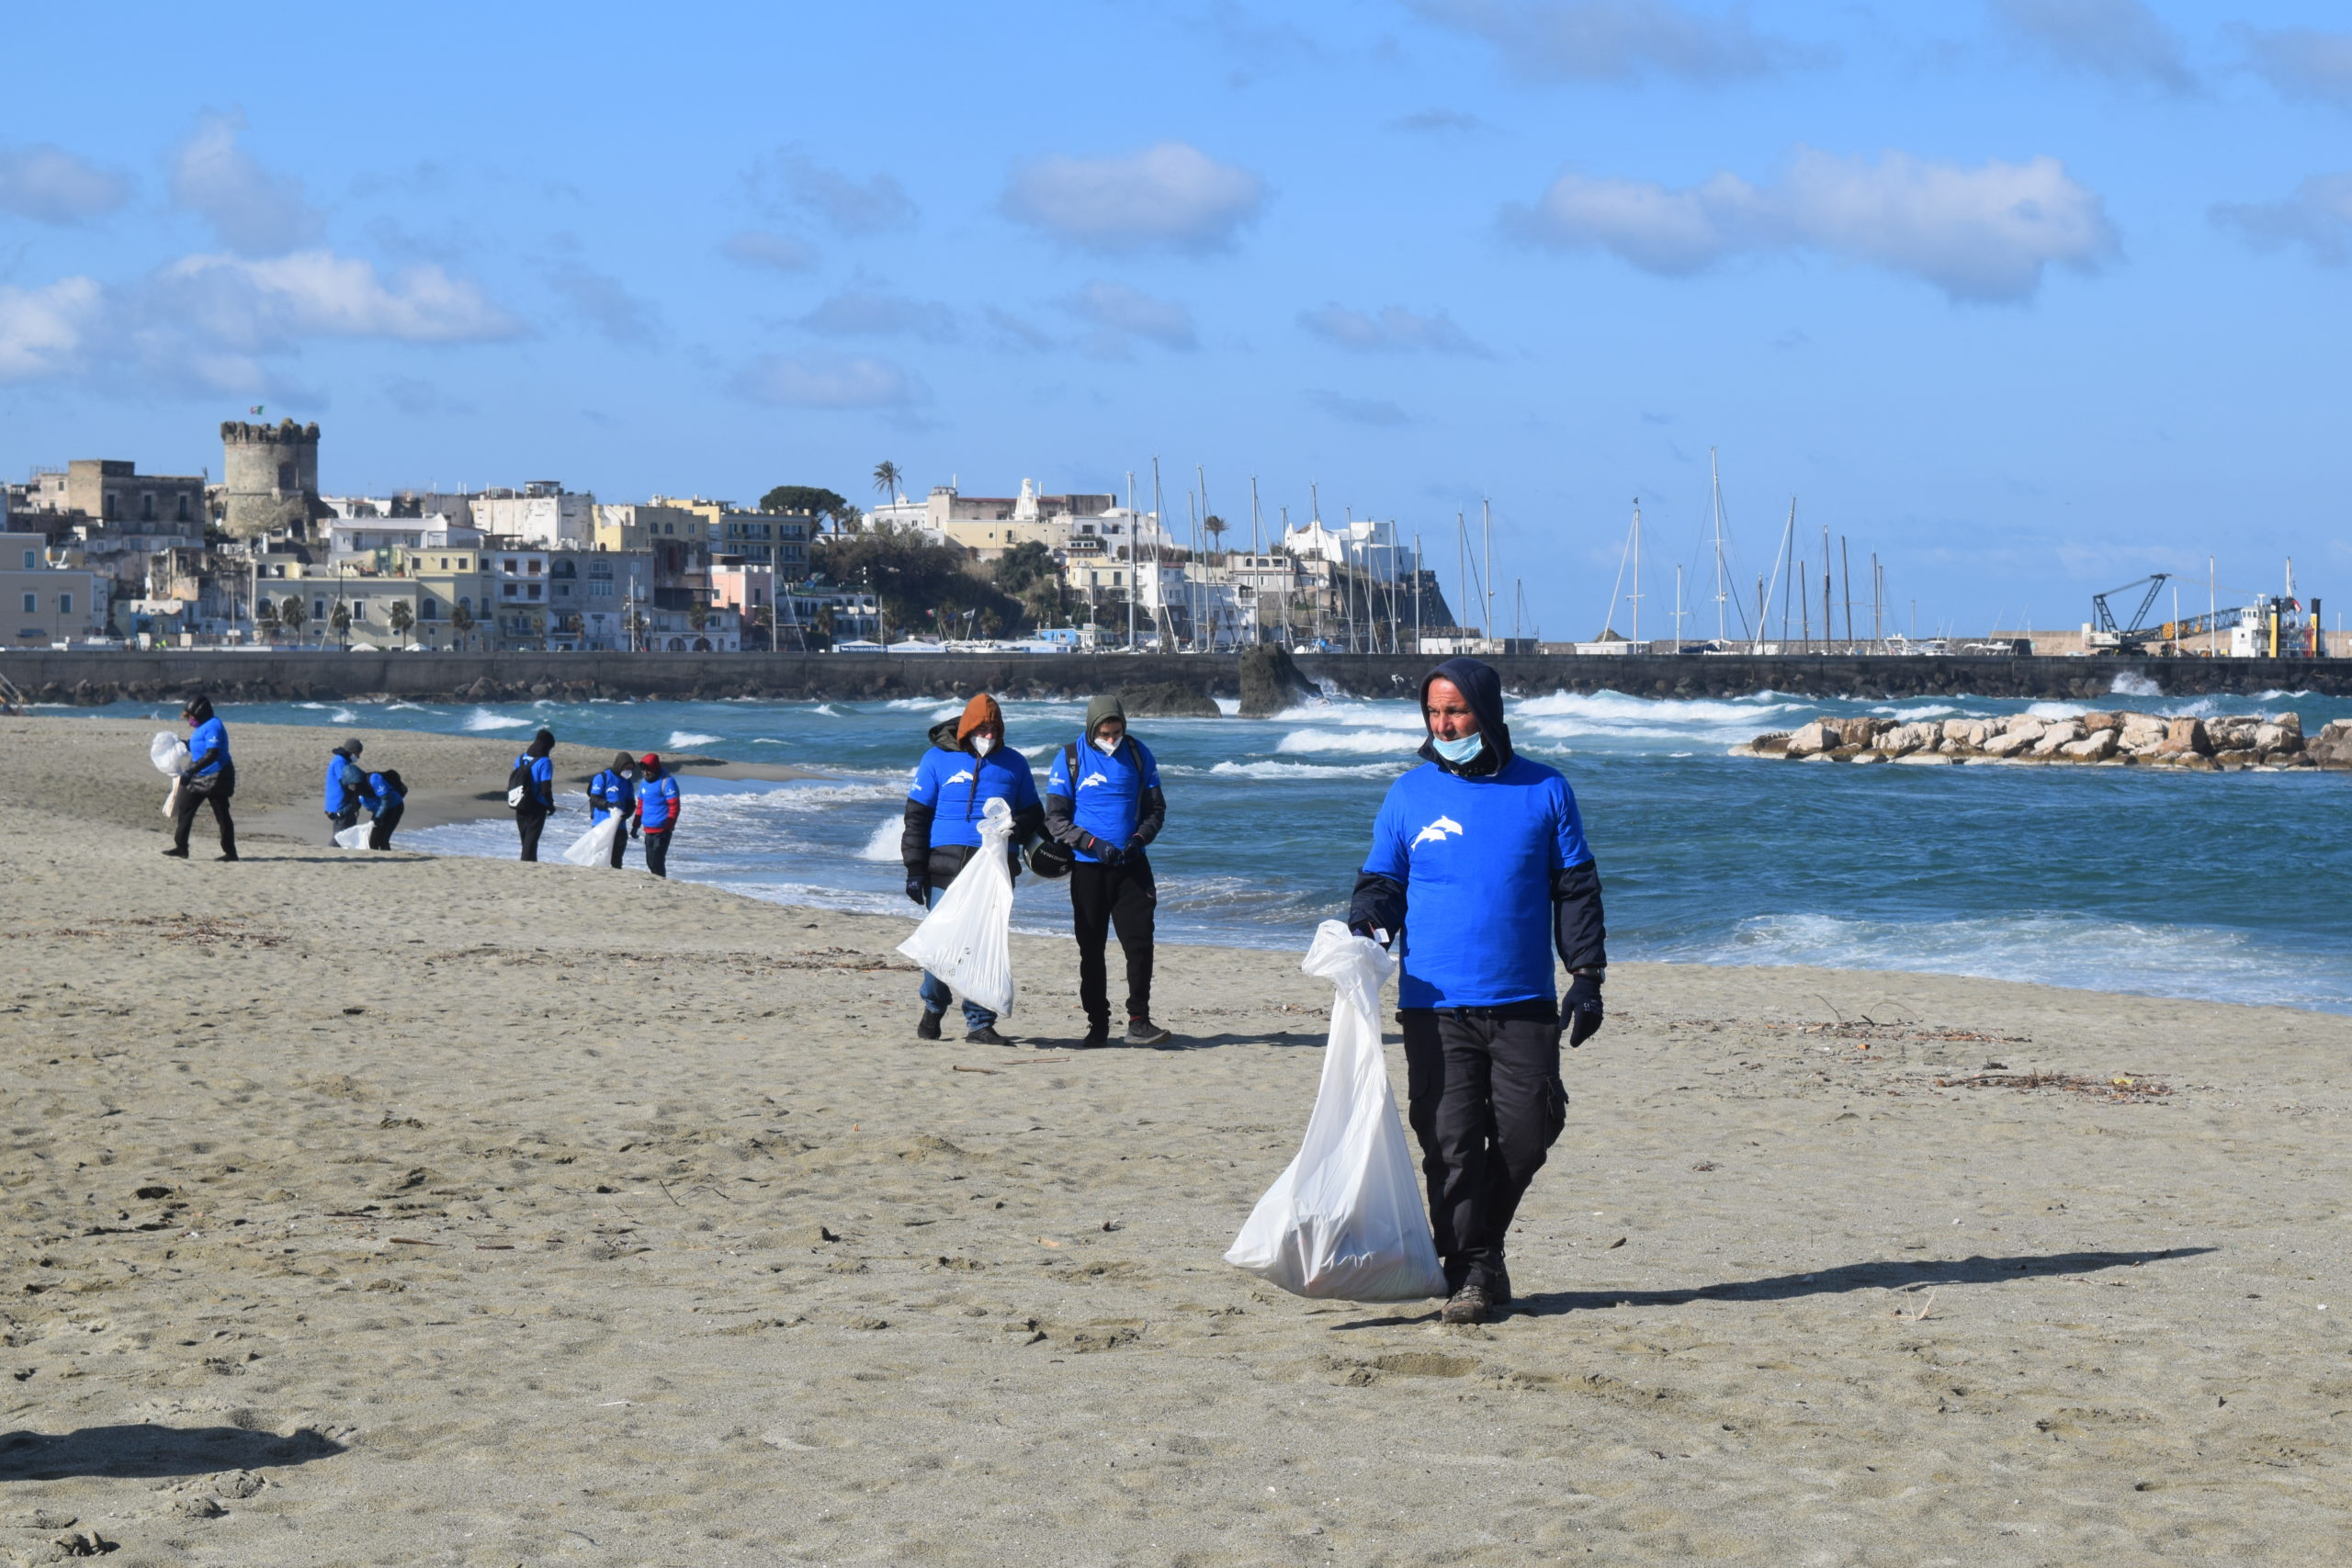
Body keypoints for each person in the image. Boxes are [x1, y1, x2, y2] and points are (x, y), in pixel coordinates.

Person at [1347, 658, 1607, 1325]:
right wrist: (1369, 921)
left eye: (1455, 711)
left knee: (1529, 1130)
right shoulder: (1408, 793)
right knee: (1450, 1143)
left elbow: (1575, 888)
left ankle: (1477, 1252)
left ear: (1485, 713)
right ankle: (1468, 1272)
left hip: (1522, 999)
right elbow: (1383, 881)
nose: (1443, 724)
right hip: (1433, 1004)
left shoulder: (1546, 790)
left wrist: (1586, 974)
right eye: (1433, 713)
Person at [901, 694, 1044, 1046]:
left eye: (994, 728)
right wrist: (915, 869)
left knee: (983, 947)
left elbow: (1035, 814)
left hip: (994, 870)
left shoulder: (1015, 764)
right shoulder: (936, 759)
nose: (988, 734)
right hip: (944, 868)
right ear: (966, 728)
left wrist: (1016, 824)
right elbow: (916, 818)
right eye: (981, 728)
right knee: (940, 945)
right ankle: (934, 1006)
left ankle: (980, 1023)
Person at [1045, 694, 1170, 1048]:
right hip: (1089, 871)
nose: (1111, 740)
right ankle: (1097, 1024)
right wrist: (1092, 845)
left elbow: (1156, 808)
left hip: (1132, 866)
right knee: (1091, 949)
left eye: (1116, 732)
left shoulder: (1138, 753)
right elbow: (1055, 819)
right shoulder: (1069, 758)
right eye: (1104, 733)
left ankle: (1139, 1021)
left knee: (1140, 945)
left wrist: (1139, 838)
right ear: (1091, 729)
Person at [164, 695, 237, 861]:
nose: (190, 720)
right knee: (185, 809)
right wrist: (181, 744)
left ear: (201, 713)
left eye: (191, 716)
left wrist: (190, 772)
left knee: (221, 814)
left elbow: (213, 753)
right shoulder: (203, 727)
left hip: (218, 776)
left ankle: (230, 853)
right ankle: (181, 847)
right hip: (199, 775)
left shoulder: (214, 726)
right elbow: (196, 745)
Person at [632, 752, 680, 877]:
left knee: (657, 862)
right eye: (643, 770)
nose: (645, 773)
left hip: (662, 830)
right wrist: (635, 825)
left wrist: (669, 825)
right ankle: (658, 884)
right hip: (648, 829)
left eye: (648, 770)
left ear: (655, 768)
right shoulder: (643, 783)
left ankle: (661, 886)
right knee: (650, 862)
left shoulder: (667, 782)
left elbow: (674, 806)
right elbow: (640, 805)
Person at [512, 728, 556, 861]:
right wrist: (550, 805)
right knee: (531, 840)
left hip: (519, 802)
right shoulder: (545, 762)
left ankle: (529, 863)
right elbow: (545, 788)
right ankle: (527, 866)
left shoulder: (520, 759)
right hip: (537, 805)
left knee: (525, 839)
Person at [588, 752, 637, 869]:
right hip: (601, 825)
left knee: (617, 860)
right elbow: (594, 799)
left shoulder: (627, 782)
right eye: (627, 768)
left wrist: (627, 813)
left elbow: (631, 802)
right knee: (598, 858)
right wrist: (609, 805)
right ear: (620, 765)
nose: (629, 771)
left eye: (631, 768)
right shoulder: (603, 777)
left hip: (620, 827)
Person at [323, 739, 369, 841]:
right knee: (342, 837)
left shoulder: (340, 760)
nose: (358, 757)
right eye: (358, 753)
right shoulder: (340, 762)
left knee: (344, 835)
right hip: (340, 805)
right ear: (352, 751)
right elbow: (346, 782)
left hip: (336, 804)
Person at [366, 768, 406, 851]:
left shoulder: (374, 779)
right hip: (380, 809)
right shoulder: (359, 785)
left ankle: (385, 859)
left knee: (382, 839)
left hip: (394, 807)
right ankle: (379, 857)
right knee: (374, 839)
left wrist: (378, 817)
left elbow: (385, 800)